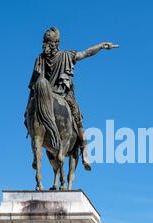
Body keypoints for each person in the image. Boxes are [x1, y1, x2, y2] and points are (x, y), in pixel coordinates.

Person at [26, 26, 119, 170]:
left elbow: (33, 86)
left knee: (29, 120)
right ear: (57, 43)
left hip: (42, 96)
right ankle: (84, 150)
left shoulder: (40, 59)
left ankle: (34, 152)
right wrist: (101, 46)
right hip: (63, 95)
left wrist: (28, 109)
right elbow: (86, 53)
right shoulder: (66, 55)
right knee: (78, 118)